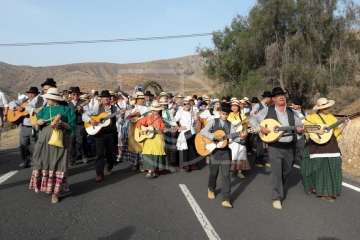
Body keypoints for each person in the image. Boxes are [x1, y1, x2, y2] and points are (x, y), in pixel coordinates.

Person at [250, 87, 304, 210]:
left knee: (287, 170)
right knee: (276, 172)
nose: (281, 97)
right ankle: (277, 197)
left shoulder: (291, 112)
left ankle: (280, 186)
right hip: (275, 146)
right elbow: (252, 119)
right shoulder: (266, 111)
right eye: (278, 95)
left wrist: (300, 129)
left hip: (289, 146)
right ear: (273, 99)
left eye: (283, 95)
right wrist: (260, 128)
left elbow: (299, 125)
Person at [29, 87, 76, 203]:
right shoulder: (44, 110)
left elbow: (72, 126)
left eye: (48, 98)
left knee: (58, 164)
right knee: (44, 162)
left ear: (53, 99)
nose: (47, 100)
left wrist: (62, 124)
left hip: (59, 141)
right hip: (44, 141)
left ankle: (56, 193)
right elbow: (36, 125)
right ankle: (47, 187)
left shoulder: (66, 110)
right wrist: (38, 123)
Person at [301, 98, 346, 202]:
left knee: (334, 168)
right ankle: (322, 192)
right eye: (324, 107)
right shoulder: (312, 117)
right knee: (321, 169)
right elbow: (306, 129)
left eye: (327, 106)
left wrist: (343, 125)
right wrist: (319, 130)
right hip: (317, 146)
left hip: (331, 146)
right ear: (320, 108)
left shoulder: (332, 118)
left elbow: (335, 133)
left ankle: (331, 191)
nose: (327, 108)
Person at [200, 102, 240, 208]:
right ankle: (211, 188)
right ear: (220, 113)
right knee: (214, 173)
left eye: (226, 114)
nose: (224, 116)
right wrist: (213, 136)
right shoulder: (213, 121)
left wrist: (241, 137)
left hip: (226, 152)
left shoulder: (230, 124)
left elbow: (234, 136)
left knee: (226, 175)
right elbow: (203, 132)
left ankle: (226, 198)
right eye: (223, 113)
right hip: (214, 151)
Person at [82, 90, 117, 182]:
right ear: (101, 99)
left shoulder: (114, 108)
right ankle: (99, 174)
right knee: (99, 154)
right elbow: (84, 115)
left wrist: (122, 114)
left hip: (110, 133)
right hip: (99, 134)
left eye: (108, 98)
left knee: (111, 153)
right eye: (104, 98)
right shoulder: (96, 107)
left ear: (110, 99)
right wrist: (90, 121)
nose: (106, 100)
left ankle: (109, 167)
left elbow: (118, 119)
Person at [9, 87, 43, 168]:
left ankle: (34, 161)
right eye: (29, 93)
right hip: (24, 127)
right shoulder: (24, 100)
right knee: (23, 145)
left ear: (36, 94)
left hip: (33, 126)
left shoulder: (39, 101)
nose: (30, 95)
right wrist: (16, 107)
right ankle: (25, 161)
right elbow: (11, 103)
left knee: (33, 145)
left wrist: (30, 109)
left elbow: (37, 110)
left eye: (32, 93)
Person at [136, 101, 166, 178]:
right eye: (154, 110)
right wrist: (141, 130)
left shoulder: (161, 119)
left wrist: (156, 130)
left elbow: (162, 130)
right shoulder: (148, 117)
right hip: (149, 138)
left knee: (156, 153)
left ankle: (153, 170)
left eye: (156, 110)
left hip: (157, 138)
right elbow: (139, 123)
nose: (155, 111)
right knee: (148, 154)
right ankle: (150, 171)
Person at [227, 99, 251, 178]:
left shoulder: (242, 115)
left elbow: (245, 126)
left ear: (238, 107)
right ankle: (232, 170)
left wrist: (245, 134)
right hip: (231, 138)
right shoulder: (228, 115)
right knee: (233, 155)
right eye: (232, 106)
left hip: (241, 138)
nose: (234, 107)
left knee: (242, 154)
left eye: (235, 106)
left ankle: (240, 171)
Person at [125, 92, 148, 171]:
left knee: (141, 145)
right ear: (136, 100)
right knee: (133, 145)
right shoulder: (132, 107)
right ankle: (135, 163)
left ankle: (142, 164)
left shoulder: (145, 108)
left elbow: (145, 116)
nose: (141, 100)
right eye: (140, 99)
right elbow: (126, 117)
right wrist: (132, 114)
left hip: (141, 128)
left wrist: (136, 114)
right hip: (132, 128)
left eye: (142, 99)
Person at [175, 96, 198, 171]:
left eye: (188, 104)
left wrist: (194, 115)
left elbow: (195, 121)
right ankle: (185, 165)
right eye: (185, 104)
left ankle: (193, 164)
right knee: (184, 148)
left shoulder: (192, 112)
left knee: (191, 148)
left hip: (191, 131)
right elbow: (174, 121)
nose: (187, 105)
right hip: (184, 132)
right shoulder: (180, 112)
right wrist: (178, 127)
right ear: (183, 105)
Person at [250, 90, 273, 168]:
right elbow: (252, 116)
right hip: (259, 128)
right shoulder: (258, 105)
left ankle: (262, 160)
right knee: (259, 145)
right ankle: (257, 161)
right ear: (267, 98)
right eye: (271, 98)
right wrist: (257, 127)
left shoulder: (266, 106)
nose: (271, 100)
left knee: (263, 146)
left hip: (265, 127)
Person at [68, 86, 88, 165]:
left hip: (80, 124)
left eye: (77, 94)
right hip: (71, 125)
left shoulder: (83, 103)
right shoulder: (68, 104)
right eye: (74, 94)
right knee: (71, 142)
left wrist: (82, 111)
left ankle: (84, 156)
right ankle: (72, 159)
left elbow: (87, 114)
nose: (76, 96)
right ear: (71, 95)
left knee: (81, 141)